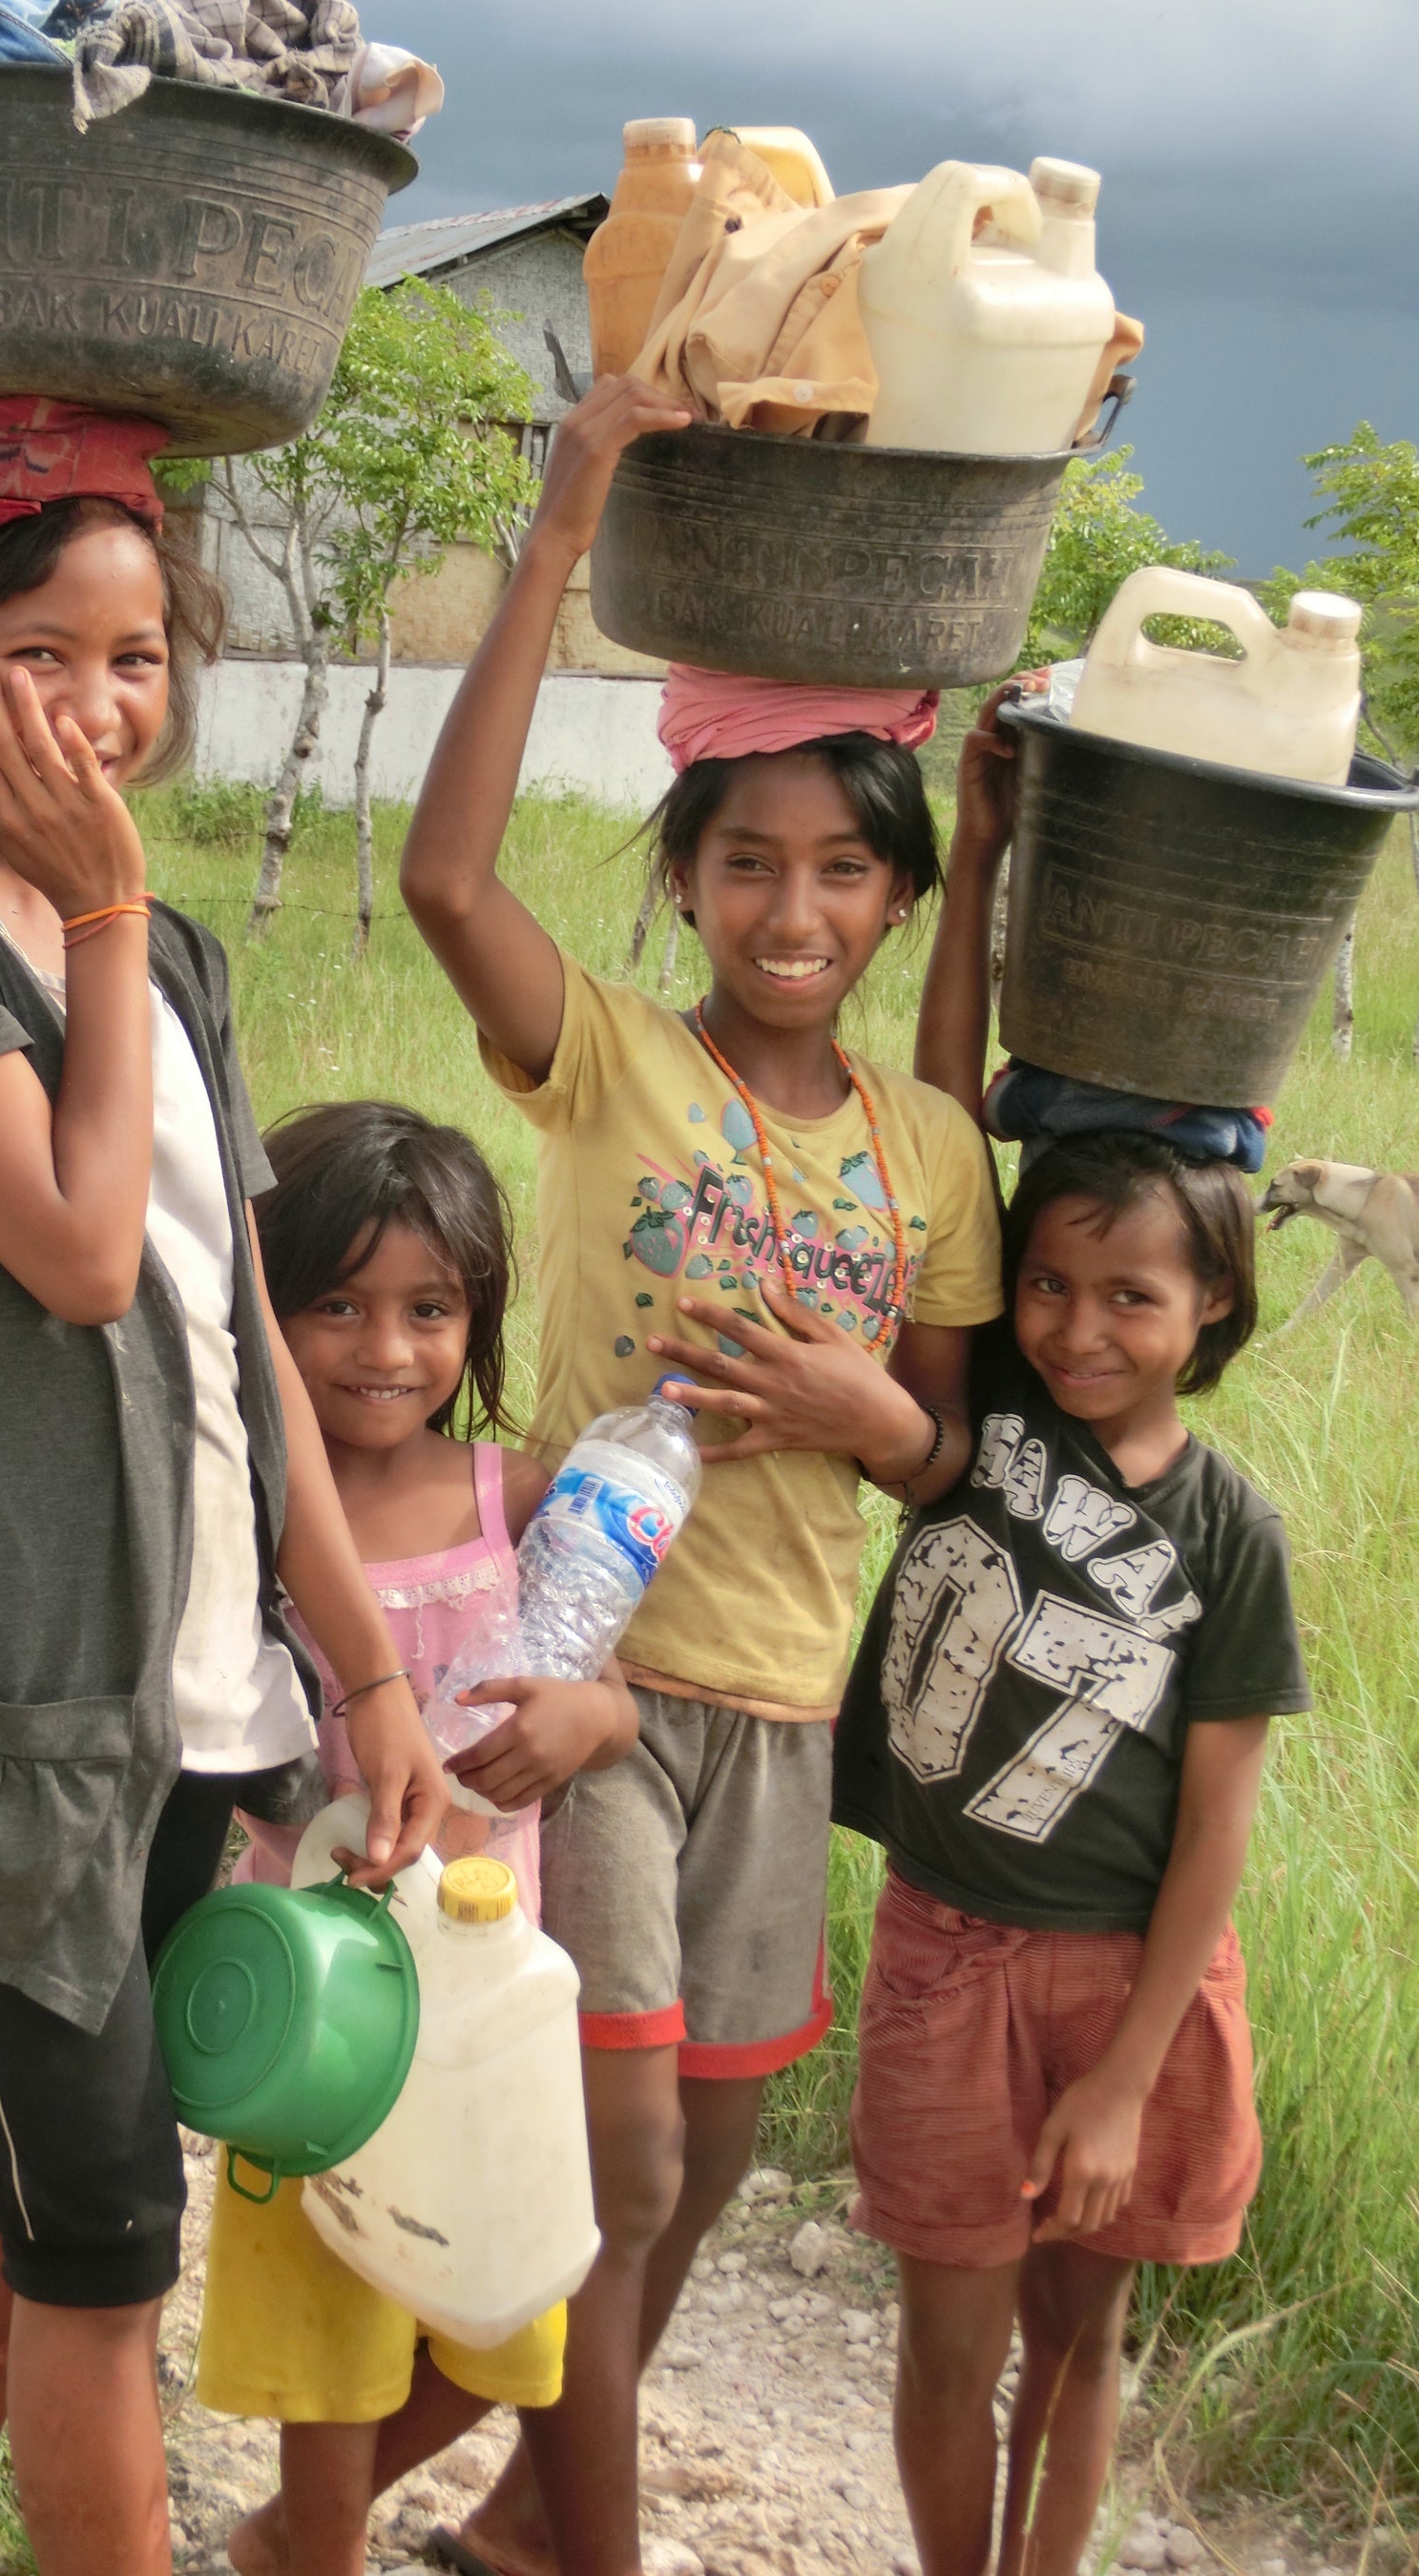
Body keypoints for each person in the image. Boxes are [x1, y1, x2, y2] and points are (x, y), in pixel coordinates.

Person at [0, 400, 446, 2576]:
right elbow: (68, 1255)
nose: (100, 706)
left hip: (187, 1713)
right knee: (106, 2258)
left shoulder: (167, 957)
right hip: (4, 1733)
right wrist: (105, 914)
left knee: (34, 2178)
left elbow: (237, 1341)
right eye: (44, 653)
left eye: (137, 659)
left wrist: (367, 1674)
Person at [395, 375, 1006, 2576]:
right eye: (745, 860)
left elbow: (942, 1452)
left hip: (780, 1703)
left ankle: (450, 2528)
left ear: (892, 900)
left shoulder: (930, 1154)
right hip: (589, 1683)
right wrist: (561, 526)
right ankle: (590, 2553)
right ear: (681, 880)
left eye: (842, 867)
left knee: (707, 2171)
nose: (791, 902)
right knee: (619, 2167)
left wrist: (870, 1422)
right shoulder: (613, 1065)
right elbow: (441, 875)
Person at [831, 691, 1313, 2576]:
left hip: (1130, 1993)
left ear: (1209, 1313)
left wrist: (1120, 2083)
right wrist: (984, 864)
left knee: (1079, 2337)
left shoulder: (1230, 1535)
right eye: (1045, 1282)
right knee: (947, 2340)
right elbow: (947, 1119)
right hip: (946, 1958)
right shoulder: (982, 1418)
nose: (1073, 1325)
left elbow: (1211, 1833)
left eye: (1127, 1295)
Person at [198, 1099, 637, 2576]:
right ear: (268, 1314)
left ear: (477, 1317)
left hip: (485, 2010)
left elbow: (608, 1689)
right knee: (327, 2344)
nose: (386, 1349)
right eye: (336, 1306)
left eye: (429, 1309)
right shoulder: (251, 1513)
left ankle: (275, 2544)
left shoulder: (513, 1495)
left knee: (505, 2314)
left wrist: (589, 1725)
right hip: (316, 2010)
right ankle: (311, 2543)